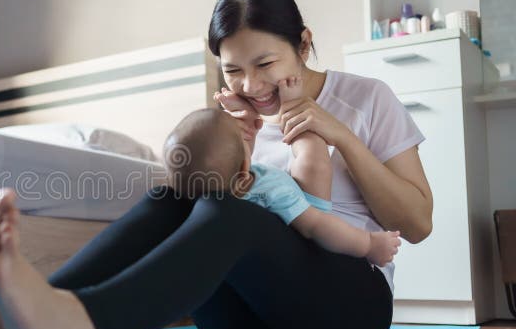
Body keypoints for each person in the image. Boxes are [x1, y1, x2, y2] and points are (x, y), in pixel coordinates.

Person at [0, 0, 433, 329]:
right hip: (242, 316)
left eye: (265, 64)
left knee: (234, 215)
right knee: (180, 191)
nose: (251, 86)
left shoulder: (366, 97)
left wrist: (338, 133)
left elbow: (418, 223)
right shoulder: (238, 115)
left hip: (348, 305)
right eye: (233, 72)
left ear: (303, 44)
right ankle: (13, 325)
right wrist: (227, 143)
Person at [162, 108, 401, 266]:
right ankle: (294, 105)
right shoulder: (269, 186)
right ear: (247, 167)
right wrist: (369, 244)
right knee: (311, 156)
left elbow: (234, 158)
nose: (248, 132)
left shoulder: (191, 201)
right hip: (301, 253)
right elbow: (317, 225)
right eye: (243, 135)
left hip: (242, 281)